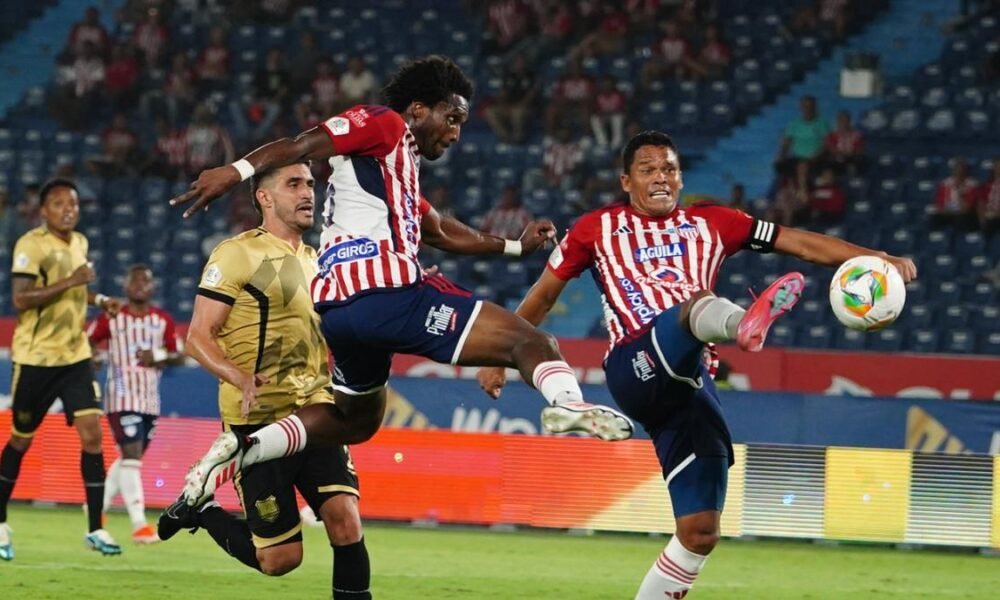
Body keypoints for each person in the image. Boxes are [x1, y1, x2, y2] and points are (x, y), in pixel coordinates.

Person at [169, 55, 634, 507]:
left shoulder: (389, 168)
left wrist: (514, 247)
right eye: (451, 118)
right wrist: (235, 172)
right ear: (418, 110)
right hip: (387, 294)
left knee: (356, 420)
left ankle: (246, 447)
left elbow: (440, 231)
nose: (455, 133)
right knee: (533, 343)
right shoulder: (385, 123)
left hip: (339, 314)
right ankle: (569, 405)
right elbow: (302, 144)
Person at [476, 131, 917, 599]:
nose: (660, 177)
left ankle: (738, 324)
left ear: (681, 178)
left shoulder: (714, 222)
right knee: (693, 307)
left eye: (669, 169)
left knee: (700, 531)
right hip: (635, 364)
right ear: (626, 181)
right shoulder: (594, 228)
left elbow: (799, 243)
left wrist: (876, 259)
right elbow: (544, 296)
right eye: (648, 169)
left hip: (689, 385)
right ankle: (743, 323)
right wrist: (499, 356)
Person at [157, 163, 371, 598]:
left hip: (314, 414)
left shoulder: (320, 260)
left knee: (345, 520)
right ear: (265, 197)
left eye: (310, 184)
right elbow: (198, 337)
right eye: (294, 184)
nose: (308, 192)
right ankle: (203, 510)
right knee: (280, 560)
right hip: (256, 423)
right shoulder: (237, 254)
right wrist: (237, 375)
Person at [0, 178, 123, 560]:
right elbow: (21, 299)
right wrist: (72, 280)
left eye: (73, 203)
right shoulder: (30, 245)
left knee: (93, 437)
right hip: (36, 359)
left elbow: (77, 291)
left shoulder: (80, 242)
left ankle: (96, 528)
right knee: (21, 439)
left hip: (75, 357)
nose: (68, 210)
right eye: (58, 203)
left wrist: (100, 299)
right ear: (43, 211)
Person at [88, 264, 182, 544]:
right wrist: (93, 356)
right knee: (131, 456)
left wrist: (158, 355)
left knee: (131, 459)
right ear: (125, 286)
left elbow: (179, 354)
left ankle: (96, 509)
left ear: (153, 287)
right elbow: (88, 341)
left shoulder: (162, 320)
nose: (140, 285)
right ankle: (140, 525)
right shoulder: (112, 316)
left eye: (145, 281)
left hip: (149, 399)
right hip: (120, 395)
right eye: (135, 281)